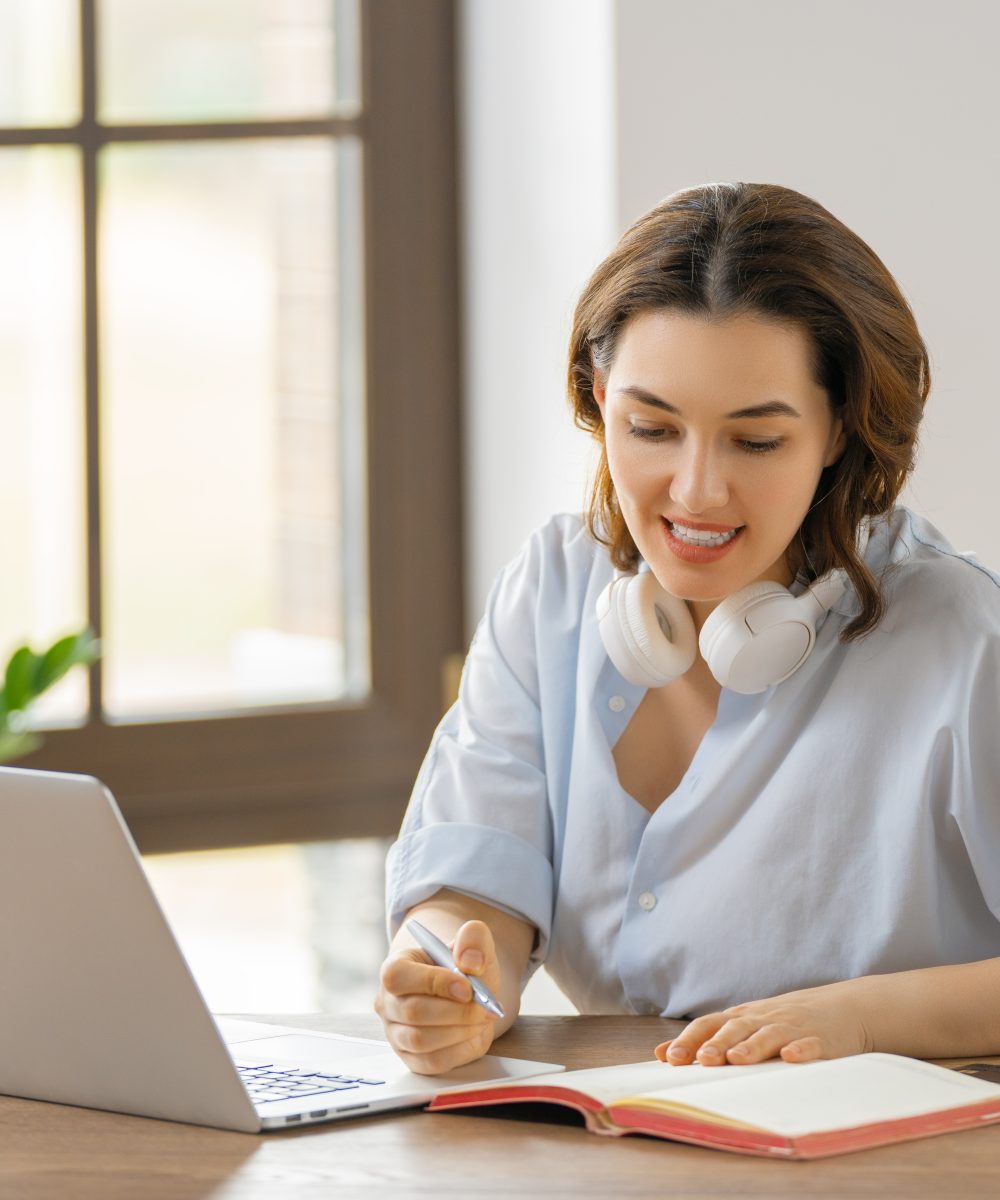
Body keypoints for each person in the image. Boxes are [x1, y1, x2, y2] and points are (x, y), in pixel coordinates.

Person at [374, 182, 1000, 1075]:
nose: (697, 490)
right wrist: (448, 980)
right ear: (600, 398)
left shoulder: (961, 637)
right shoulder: (554, 588)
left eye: (755, 441)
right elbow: (480, 881)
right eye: (652, 427)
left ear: (836, 431)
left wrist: (863, 1019)